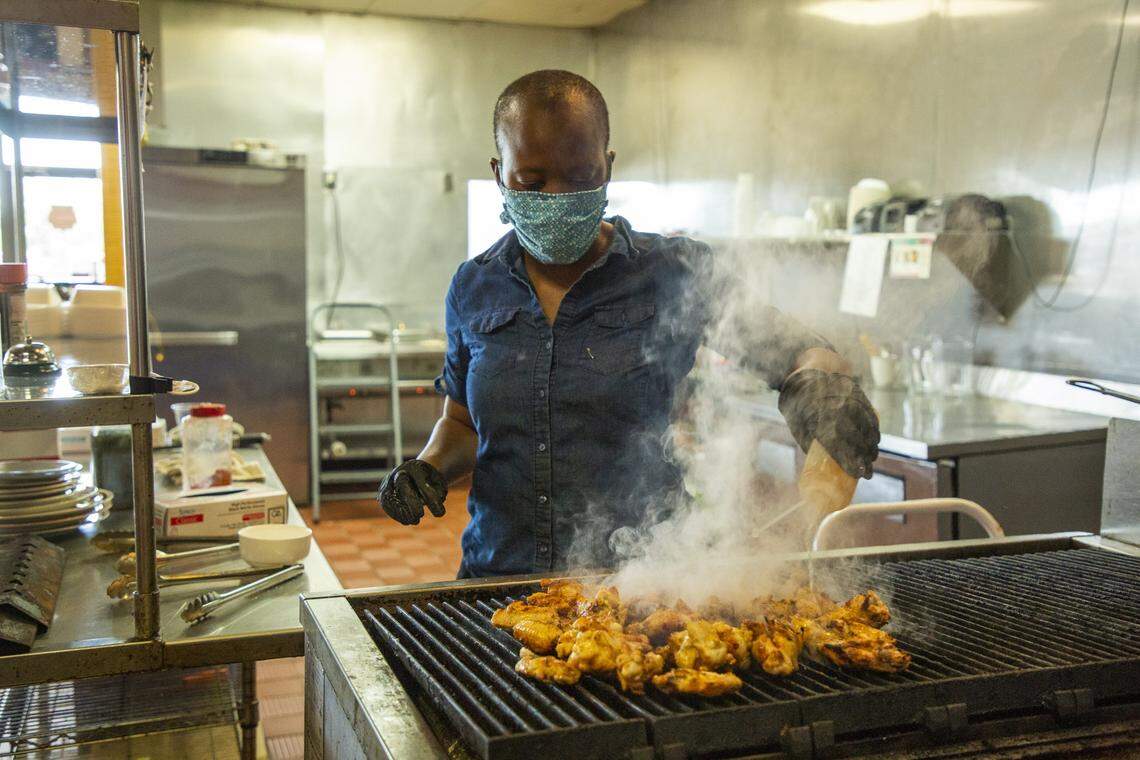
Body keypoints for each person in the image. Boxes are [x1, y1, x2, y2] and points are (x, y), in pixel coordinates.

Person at [378, 70, 879, 578]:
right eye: (532, 181)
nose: (555, 197)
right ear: (498, 172)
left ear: (608, 166)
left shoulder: (672, 272)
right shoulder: (474, 286)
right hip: (498, 579)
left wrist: (822, 386)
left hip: (643, 587)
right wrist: (428, 468)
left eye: (579, 177)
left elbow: (795, 349)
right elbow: (462, 422)